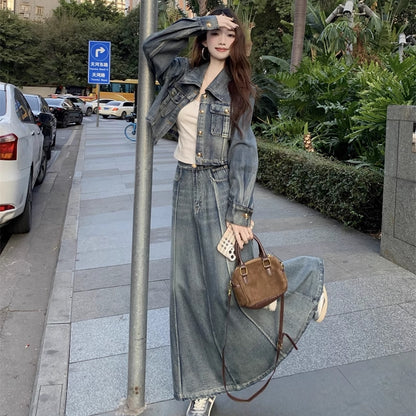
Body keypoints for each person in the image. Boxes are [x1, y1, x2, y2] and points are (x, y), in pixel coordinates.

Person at [143, 7, 326, 416]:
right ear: (204, 38)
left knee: (225, 286)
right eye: (216, 33)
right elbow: (152, 46)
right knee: (186, 290)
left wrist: (240, 212)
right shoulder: (181, 74)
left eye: (230, 34)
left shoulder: (240, 89)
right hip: (183, 185)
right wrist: (204, 20)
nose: (223, 40)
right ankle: (203, 387)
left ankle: (303, 281)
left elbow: (244, 150)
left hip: (218, 187)